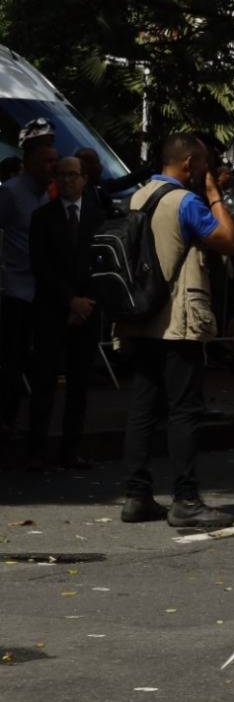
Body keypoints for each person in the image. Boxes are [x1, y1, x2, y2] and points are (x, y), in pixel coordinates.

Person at [118, 133, 234, 528]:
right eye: (202, 163)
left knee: (141, 409)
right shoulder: (186, 202)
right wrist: (215, 195)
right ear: (188, 164)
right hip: (175, 321)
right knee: (183, 410)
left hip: (137, 319)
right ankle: (185, 500)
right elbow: (227, 241)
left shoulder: (136, 197)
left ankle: (137, 495)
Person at [24, 154, 102, 470]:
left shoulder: (98, 216)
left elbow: (103, 263)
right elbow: (41, 265)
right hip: (53, 308)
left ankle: (71, 449)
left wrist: (86, 302)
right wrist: (70, 300)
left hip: (87, 310)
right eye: (63, 175)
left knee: (79, 384)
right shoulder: (43, 217)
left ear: (85, 178)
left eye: (74, 175)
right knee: (44, 381)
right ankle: (36, 450)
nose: (68, 181)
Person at [0, 119, 58, 445]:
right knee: (13, 359)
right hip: (16, 290)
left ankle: (34, 430)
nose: (52, 167)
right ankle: (6, 420)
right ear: (30, 163)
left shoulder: (49, 197)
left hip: (43, 292)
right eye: (46, 162)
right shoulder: (11, 194)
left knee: (42, 364)